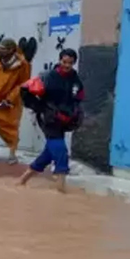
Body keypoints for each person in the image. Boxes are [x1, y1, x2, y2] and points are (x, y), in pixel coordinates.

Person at [17, 48, 85, 193]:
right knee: (61, 152)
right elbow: (25, 89)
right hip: (48, 119)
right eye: (64, 62)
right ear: (60, 61)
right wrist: (38, 107)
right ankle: (61, 190)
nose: (67, 65)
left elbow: (78, 98)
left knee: (49, 153)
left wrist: (75, 114)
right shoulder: (48, 77)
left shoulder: (75, 80)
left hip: (64, 120)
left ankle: (22, 180)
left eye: (70, 63)